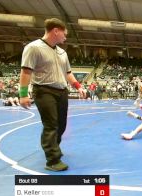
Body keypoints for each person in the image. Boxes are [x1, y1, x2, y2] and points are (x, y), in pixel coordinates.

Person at [19, 18, 86, 171]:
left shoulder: (62, 52)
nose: (65, 37)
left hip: (62, 92)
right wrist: (23, 95)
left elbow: (68, 73)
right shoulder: (33, 48)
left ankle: (54, 147)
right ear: (56, 31)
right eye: (65, 33)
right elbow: (26, 71)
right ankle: (52, 160)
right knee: (51, 125)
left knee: (61, 125)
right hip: (44, 91)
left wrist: (78, 87)